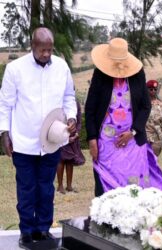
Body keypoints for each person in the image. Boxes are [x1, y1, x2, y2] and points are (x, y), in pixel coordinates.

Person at [0, 27, 77, 247]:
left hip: (52, 141)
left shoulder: (61, 67)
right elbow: (5, 104)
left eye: (49, 50)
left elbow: (69, 97)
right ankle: (26, 231)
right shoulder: (15, 69)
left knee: (46, 187)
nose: (46, 54)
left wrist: (70, 117)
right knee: (27, 188)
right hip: (24, 142)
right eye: (42, 50)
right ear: (32, 46)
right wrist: (4, 133)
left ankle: (43, 229)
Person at [85, 37, 162, 197]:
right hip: (106, 144)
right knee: (104, 186)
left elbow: (145, 106)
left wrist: (133, 132)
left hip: (132, 142)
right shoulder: (100, 74)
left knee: (133, 187)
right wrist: (92, 139)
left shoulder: (137, 74)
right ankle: (106, 218)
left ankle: (133, 217)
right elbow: (90, 107)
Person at [56, 101, 85, 194]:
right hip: (61, 135)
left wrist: (76, 134)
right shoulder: (58, 101)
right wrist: (65, 137)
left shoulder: (75, 103)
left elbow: (79, 120)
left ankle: (69, 186)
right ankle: (60, 186)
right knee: (61, 160)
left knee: (70, 161)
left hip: (73, 137)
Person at [145, 79, 162, 156]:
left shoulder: (161, 105)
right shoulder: (142, 104)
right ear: (146, 90)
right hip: (145, 137)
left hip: (157, 139)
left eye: (155, 89)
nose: (153, 91)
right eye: (151, 89)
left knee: (154, 162)